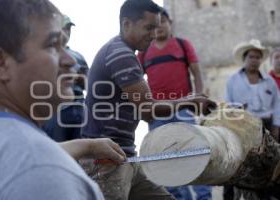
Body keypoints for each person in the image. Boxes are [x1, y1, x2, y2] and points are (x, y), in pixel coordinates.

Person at [0, 0, 126, 199]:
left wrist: (86, 146)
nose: (70, 60)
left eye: (65, 45)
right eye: (52, 45)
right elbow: (31, 164)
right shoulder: (39, 170)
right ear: (1, 62)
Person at [82, 0, 216, 199]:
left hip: (124, 155)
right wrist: (190, 101)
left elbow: (142, 107)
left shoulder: (125, 53)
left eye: (157, 27)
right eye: (149, 27)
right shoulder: (120, 54)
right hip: (106, 160)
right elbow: (147, 109)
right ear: (127, 24)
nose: (154, 34)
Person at [137, 8, 211, 200]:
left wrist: (199, 96)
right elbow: (136, 77)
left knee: (195, 156)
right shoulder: (144, 52)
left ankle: (204, 197)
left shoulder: (183, 45)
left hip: (184, 110)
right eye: (156, 23)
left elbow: (196, 72)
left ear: (171, 23)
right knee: (164, 161)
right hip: (157, 113)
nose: (159, 26)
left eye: (163, 21)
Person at [224, 39, 280, 200]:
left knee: (265, 166)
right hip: (242, 127)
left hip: (266, 128)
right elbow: (228, 105)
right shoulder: (233, 80)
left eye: (257, 57)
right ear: (245, 58)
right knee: (237, 166)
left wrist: (276, 126)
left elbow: (277, 105)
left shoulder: (269, 82)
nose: (254, 60)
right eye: (251, 57)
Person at [43, 15, 89, 142]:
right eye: (64, 28)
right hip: (57, 110)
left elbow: (90, 83)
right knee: (57, 148)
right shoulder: (45, 54)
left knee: (80, 150)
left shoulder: (77, 57)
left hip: (78, 108)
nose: (67, 32)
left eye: (69, 28)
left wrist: (80, 79)